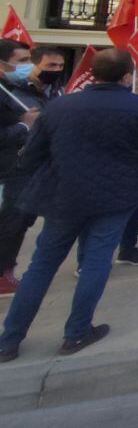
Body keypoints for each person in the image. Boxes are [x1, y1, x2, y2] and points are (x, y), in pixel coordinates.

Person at [0, 50, 138, 362]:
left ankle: (9, 340)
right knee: (96, 262)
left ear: (93, 74)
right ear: (127, 77)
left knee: (41, 266)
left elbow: (34, 152)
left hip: (64, 197)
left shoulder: (60, 105)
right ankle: (76, 332)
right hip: (114, 197)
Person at [0, 42, 65, 297]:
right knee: (10, 223)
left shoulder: (31, 90)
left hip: (28, 169)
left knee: (19, 222)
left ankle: (6, 270)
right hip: (9, 169)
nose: (27, 65)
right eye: (23, 59)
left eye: (60, 65)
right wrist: (25, 126)